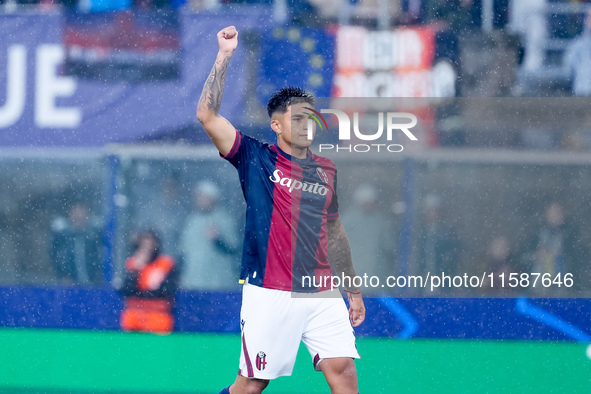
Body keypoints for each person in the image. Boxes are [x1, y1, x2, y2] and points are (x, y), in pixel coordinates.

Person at [196, 26, 365, 394]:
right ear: (276, 125)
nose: (308, 125)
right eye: (298, 118)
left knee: (343, 370)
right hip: (270, 290)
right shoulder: (254, 156)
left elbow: (333, 232)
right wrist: (224, 56)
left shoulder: (326, 170)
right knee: (252, 385)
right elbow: (207, 116)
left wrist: (352, 288)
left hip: (320, 288)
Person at [179, 180, 239, 290]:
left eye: (203, 196)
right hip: (192, 281)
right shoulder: (192, 220)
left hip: (218, 283)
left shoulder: (224, 219)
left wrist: (218, 240)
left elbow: (233, 247)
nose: (199, 199)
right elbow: (183, 250)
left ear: (213, 199)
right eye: (198, 196)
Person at [118, 230, 178, 334]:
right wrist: (135, 270)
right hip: (134, 320)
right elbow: (126, 290)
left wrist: (143, 294)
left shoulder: (166, 264)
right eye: (144, 244)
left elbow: (168, 290)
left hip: (158, 319)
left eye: (150, 243)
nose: (147, 248)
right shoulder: (132, 264)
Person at [50, 201, 103, 286]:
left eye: (81, 210)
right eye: (75, 209)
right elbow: (55, 256)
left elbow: (99, 256)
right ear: (69, 212)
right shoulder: (62, 235)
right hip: (68, 284)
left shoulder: (94, 235)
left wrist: (97, 275)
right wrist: (64, 275)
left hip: (92, 284)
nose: (78, 214)